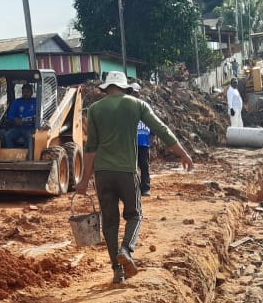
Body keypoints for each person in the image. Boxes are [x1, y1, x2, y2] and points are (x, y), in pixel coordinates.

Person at [81, 71, 194, 284]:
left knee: (110, 222)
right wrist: (182, 153)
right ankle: (126, 249)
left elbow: (91, 147)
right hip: (126, 172)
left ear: (106, 88)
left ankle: (118, 271)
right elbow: (161, 129)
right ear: (125, 88)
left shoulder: (95, 109)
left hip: (103, 174)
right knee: (135, 215)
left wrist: (84, 180)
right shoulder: (136, 105)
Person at [128, 82, 152, 195]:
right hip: (130, 143)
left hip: (143, 143)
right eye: (132, 92)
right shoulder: (125, 108)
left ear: (138, 93)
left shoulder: (144, 107)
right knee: (130, 167)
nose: (134, 94)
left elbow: (152, 123)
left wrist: (151, 135)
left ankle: (145, 188)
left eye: (135, 92)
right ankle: (133, 188)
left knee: (144, 166)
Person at [1, 83, 37, 149]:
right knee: (7, 135)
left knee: (30, 137)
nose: (25, 94)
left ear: (31, 92)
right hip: (18, 127)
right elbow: (10, 116)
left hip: (30, 128)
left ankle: (27, 155)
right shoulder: (17, 102)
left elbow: (41, 114)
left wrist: (35, 119)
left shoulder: (36, 102)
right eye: (23, 92)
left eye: (27, 92)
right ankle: (11, 153)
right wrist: (15, 119)